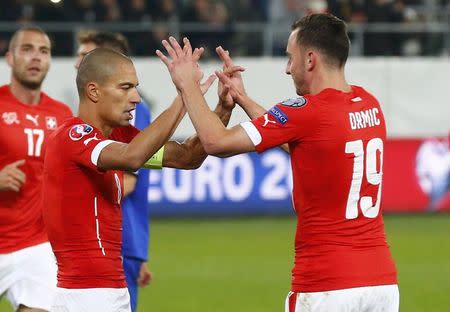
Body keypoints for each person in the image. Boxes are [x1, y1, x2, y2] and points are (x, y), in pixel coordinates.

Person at [157, 13, 399, 312]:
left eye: (290, 58)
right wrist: (243, 99)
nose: (287, 69)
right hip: (381, 283)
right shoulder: (369, 104)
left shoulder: (308, 112)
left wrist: (187, 85)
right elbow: (304, 143)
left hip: (327, 284)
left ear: (310, 60)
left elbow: (215, 142)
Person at [43, 43, 237, 311]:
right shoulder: (74, 136)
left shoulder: (118, 138)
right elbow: (132, 157)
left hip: (108, 290)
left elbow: (186, 157)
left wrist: (222, 109)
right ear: (94, 91)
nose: (135, 98)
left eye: (135, 87)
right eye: (125, 87)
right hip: (86, 295)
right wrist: (184, 93)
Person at [75, 30, 153, 312]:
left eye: (85, 56)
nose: (77, 64)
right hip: (114, 243)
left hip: (117, 240)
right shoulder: (96, 117)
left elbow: (129, 179)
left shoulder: (131, 111)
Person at [0, 27, 73, 311]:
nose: (36, 58)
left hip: (36, 246)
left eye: (44, 51)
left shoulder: (61, 115)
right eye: (27, 49)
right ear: (9, 58)